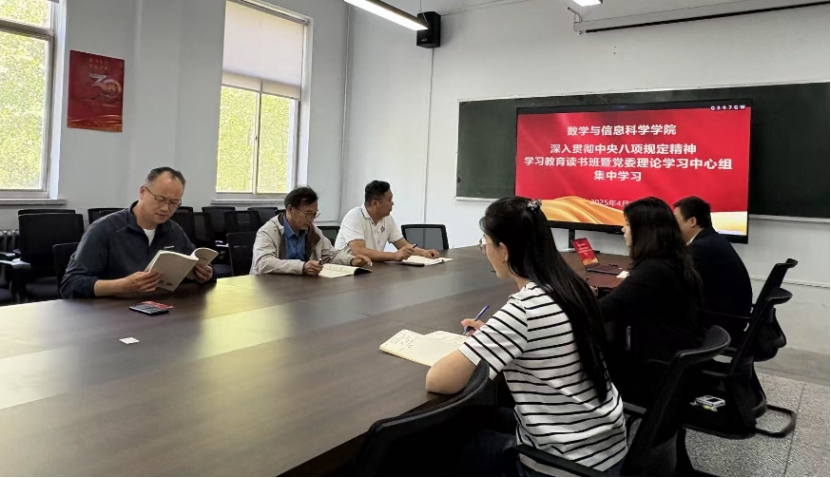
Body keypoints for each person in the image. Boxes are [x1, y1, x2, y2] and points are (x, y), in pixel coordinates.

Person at [426, 197, 626, 476]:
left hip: (562, 463)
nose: (485, 250)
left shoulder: (526, 309)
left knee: (432, 448)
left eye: (486, 243)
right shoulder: (572, 287)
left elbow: (438, 380)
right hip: (606, 448)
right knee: (477, 418)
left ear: (504, 251)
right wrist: (494, 338)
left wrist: (482, 342)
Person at [599, 197, 705, 405]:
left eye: (628, 224)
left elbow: (603, 310)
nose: (623, 230)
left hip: (653, 367)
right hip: (673, 356)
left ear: (645, 231)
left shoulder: (653, 270)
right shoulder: (673, 260)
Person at [60, 167, 214, 298]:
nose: (166, 208)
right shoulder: (104, 229)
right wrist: (121, 285)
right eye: (160, 199)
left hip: (160, 308)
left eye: (174, 203)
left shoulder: (173, 230)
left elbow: (201, 267)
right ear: (142, 192)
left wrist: (204, 274)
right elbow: (70, 285)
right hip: (112, 313)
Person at [251, 186, 371, 276]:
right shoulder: (269, 231)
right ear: (290, 209)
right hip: (269, 288)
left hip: (300, 286)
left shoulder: (313, 231)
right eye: (308, 213)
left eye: (314, 214)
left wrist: (352, 260)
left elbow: (331, 254)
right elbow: (263, 263)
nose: (311, 219)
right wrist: (302, 267)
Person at [674, 196, 753, 319]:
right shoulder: (713, 239)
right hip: (733, 313)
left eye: (675, 221)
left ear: (692, 221)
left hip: (722, 319)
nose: (673, 227)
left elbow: (681, 285)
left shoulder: (701, 248)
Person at [335, 180, 440, 262]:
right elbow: (359, 251)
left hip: (373, 267)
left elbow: (403, 245)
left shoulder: (387, 218)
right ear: (375, 203)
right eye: (389, 200)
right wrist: (394, 255)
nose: (392, 203)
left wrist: (423, 252)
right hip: (348, 271)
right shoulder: (354, 217)